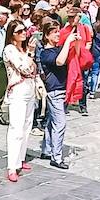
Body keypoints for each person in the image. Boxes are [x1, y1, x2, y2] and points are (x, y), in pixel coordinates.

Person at [2, 20, 38, 183]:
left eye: (25, 30)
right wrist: (30, 53)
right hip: (17, 91)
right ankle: (12, 166)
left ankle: (20, 158)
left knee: (27, 125)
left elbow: (32, 68)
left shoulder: (23, 49)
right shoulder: (9, 49)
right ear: (12, 35)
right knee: (16, 128)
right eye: (20, 31)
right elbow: (23, 68)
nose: (24, 33)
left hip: (29, 89)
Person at [37, 20, 74, 170]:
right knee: (60, 123)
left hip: (62, 89)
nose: (58, 34)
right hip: (54, 90)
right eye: (54, 32)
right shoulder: (46, 53)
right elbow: (59, 61)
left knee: (52, 121)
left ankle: (46, 150)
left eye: (58, 31)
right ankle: (56, 157)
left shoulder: (58, 48)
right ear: (46, 35)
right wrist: (68, 42)